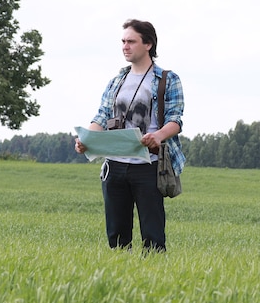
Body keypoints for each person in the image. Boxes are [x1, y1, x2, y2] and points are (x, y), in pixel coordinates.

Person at [74, 19, 185, 252]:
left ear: (148, 44)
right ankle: (121, 281)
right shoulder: (117, 81)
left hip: (149, 164)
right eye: (123, 41)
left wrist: (158, 136)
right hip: (114, 165)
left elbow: (175, 120)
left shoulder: (167, 79)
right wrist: (87, 140)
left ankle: (154, 280)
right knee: (117, 235)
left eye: (131, 41)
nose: (125, 46)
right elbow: (102, 117)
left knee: (153, 236)